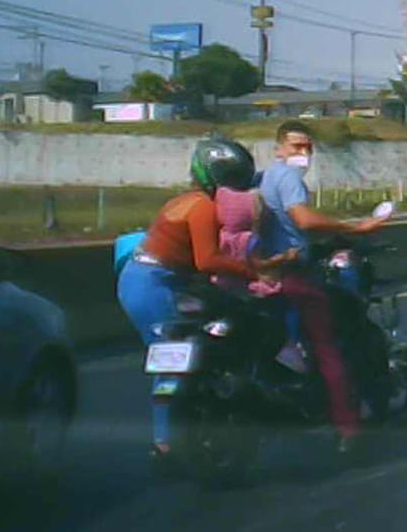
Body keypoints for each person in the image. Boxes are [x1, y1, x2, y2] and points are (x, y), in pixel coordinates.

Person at [116, 137, 261, 461]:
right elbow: (207, 260)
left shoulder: (186, 200)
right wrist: (251, 271)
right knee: (172, 361)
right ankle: (165, 442)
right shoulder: (203, 208)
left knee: (180, 356)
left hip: (149, 279)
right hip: (154, 284)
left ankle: (174, 435)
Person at [258, 120, 389, 453]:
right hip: (294, 274)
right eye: (295, 147)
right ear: (278, 148)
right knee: (327, 348)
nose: (303, 154)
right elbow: (303, 220)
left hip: (264, 274)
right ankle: (348, 427)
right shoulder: (287, 178)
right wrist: (356, 228)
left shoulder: (266, 177)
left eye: (307, 148)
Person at [212, 185, 306, 372]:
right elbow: (259, 264)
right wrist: (284, 258)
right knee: (285, 302)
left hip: (223, 283)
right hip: (247, 285)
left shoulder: (220, 236)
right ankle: (290, 344)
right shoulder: (248, 239)